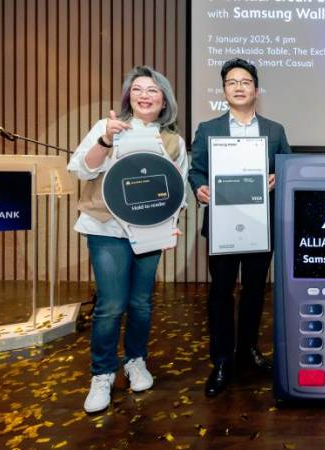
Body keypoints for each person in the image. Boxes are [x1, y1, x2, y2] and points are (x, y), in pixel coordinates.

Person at [68, 66, 187, 413]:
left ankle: (135, 360)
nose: (145, 95)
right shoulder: (109, 129)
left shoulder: (173, 141)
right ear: (128, 97)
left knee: (140, 304)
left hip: (150, 232)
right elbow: (81, 169)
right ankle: (102, 373)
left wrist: (171, 227)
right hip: (106, 229)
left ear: (164, 99)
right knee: (110, 305)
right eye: (138, 89)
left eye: (153, 89)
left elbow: (174, 192)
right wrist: (105, 139)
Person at [188, 58, 292, 397]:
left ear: (256, 90)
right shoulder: (208, 129)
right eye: (232, 82)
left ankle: (247, 350)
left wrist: (281, 175)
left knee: (253, 292)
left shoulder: (274, 130)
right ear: (224, 91)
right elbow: (196, 170)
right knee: (220, 294)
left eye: (245, 81)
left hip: (261, 226)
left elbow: (287, 165)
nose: (239, 87)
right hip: (222, 226)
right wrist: (199, 187)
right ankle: (221, 360)